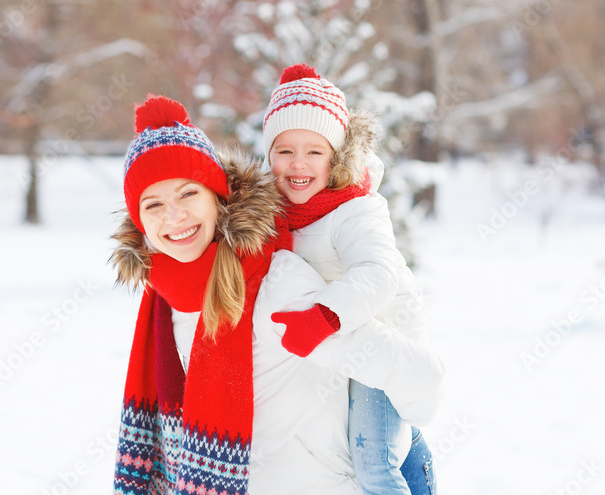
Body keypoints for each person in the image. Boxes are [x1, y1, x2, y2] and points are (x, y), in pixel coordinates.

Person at [110, 94, 444, 495]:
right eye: (154, 203)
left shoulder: (274, 283)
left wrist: (396, 444)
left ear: (217, 197)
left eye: (188, 194)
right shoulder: (162, 299)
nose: (174, 216)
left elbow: (421, 378)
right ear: (140, 220)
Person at [260, 63, 439, 495]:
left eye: (314, 151)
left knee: (373, 465)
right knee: (385, 443)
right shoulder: (279, 212)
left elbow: (377, 273)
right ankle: (414, 451)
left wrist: (323, 317)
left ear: (336, 157)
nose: (298, 164)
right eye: (284, 151)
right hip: (347, 342)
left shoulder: (357, 209)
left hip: (382, 340)